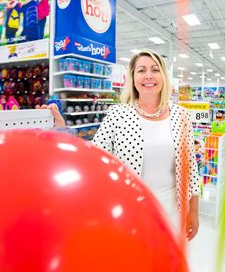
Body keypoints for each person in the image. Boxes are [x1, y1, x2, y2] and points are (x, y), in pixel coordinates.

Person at [39, 50, 200, 241]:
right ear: (133, 78)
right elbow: (93, 156)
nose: (148, 75)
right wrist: (62, 129)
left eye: (155, 70)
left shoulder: (181, 116)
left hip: (172, 212)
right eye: (141, 70)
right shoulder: (118, 114)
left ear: (164, 76)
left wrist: (194, 211)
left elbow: (191, 167)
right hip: (129, 213)